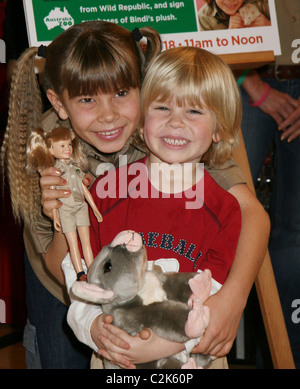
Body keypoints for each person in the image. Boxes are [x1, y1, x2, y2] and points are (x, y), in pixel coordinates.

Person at [1, 20, 269, 368]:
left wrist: (233, 299)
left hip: (159, 289)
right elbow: (60, 265)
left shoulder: (168, 125)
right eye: (86, 99)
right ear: (59, 103)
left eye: (122, 93)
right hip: (68, 281)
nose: (108, 115)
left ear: (142, 87)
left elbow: (252, 215)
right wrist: (60, 220)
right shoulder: (48, 147)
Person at [64, 46, 243, 368]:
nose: (175, 122)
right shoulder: (106, 191)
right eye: (162, 108)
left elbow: (213, 295)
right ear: (142, 120)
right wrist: (90, 325)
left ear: (219, 129)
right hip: (114, 353)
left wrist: (166, 343)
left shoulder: (224, 208)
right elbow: (78, 268)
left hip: (192, 356)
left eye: (194, 112)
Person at [237, 0, 300, 368]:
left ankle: (282, 355)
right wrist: (251, 82)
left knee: (295, 237)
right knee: (232, 221)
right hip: (240, 78)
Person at [26, 127, 102, 281]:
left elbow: (84, 189)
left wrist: (95, 209)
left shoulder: (76, 168)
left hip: (81, 207)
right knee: (72, 243)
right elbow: (52, 197)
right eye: (62, 146)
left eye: (69, 145)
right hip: (65, 210)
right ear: (51, 150)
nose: (67, 149)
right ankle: (81, 273)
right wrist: (55, 217)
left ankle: (93, 269)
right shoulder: (54, 172)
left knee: (85, 242)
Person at [198, 0, 270, 31]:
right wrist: (230, 37)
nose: (232, 0)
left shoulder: (262, 3)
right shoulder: (203, 17)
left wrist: (269, 25)